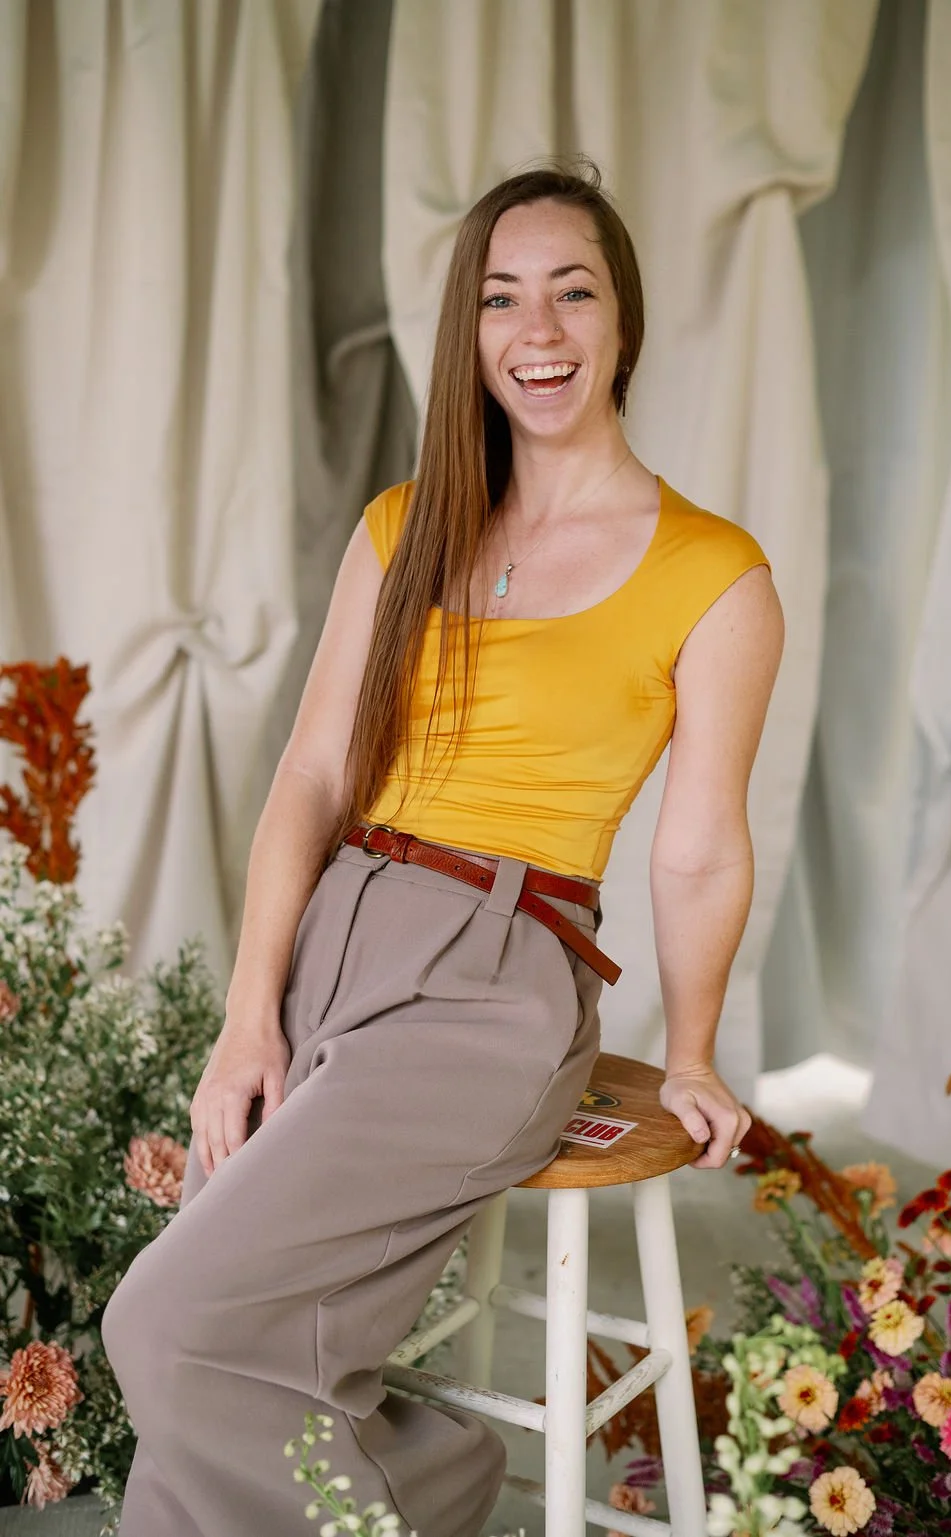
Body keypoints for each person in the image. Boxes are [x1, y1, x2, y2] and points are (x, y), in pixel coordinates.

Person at [102, 162, 784, 1537]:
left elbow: (701, 847)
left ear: (624, 320)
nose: (539, 331)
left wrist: (695, 1050)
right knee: (242, 1338)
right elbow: (313, 776)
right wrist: (247, 1020)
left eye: (572, 292)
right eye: (500, 298)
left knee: (163, 1323)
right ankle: (431, 1484)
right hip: (335, 932)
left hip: (495, 980)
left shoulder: (715, 574)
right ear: (468, 332)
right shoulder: (405, 527)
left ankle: (427, 1493)